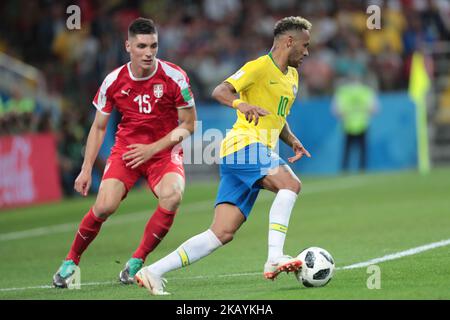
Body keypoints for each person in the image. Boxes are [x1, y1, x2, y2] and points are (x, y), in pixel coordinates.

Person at [135, 16, 312, 295]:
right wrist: (242, 104)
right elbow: (221, 91)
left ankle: (153, 271)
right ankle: (274, 257)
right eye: (304, 45)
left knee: (221, 233)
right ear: (288, 41)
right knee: (291, 184)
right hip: (242, 146)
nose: (307, 52)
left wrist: (292, 140)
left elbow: (277, 117)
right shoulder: (259, 67)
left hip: (253, 152)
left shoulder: (292, 76)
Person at [52, 17, 197, 288]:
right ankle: (71, 261)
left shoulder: (174, 76)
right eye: (141, 46)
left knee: (173, 196)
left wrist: (153, 148)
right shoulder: (113, 81)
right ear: (128, 45)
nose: (149, 52)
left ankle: (136, 262)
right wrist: (86, 169)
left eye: (153, 45)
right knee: (105, 205)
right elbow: (98, 128)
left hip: (162, 151)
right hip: (127, 152)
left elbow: (189, 125)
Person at [332, 77, 378, 172]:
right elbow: (374, 109)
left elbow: (335, 110)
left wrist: (345, 114)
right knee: (362, 151)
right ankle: (362, 169)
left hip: (348, 125)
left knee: (347, 151)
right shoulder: (366, 91)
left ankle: (344, 170)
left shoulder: (343, 92)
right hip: (362, 124)